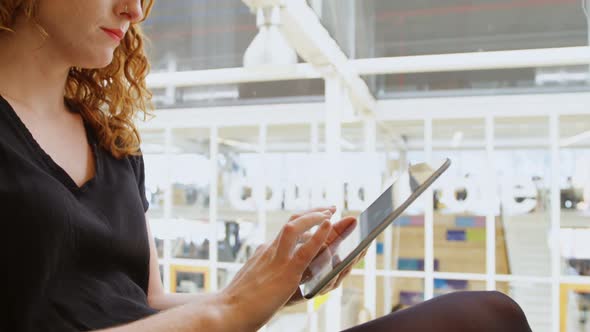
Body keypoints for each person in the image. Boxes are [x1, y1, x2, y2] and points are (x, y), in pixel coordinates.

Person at [0, 1, 533, 331]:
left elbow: (148, 300)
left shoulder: (115, 145)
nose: (135, 9)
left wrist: (274, 287)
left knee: (487, 315)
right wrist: (228, 309)